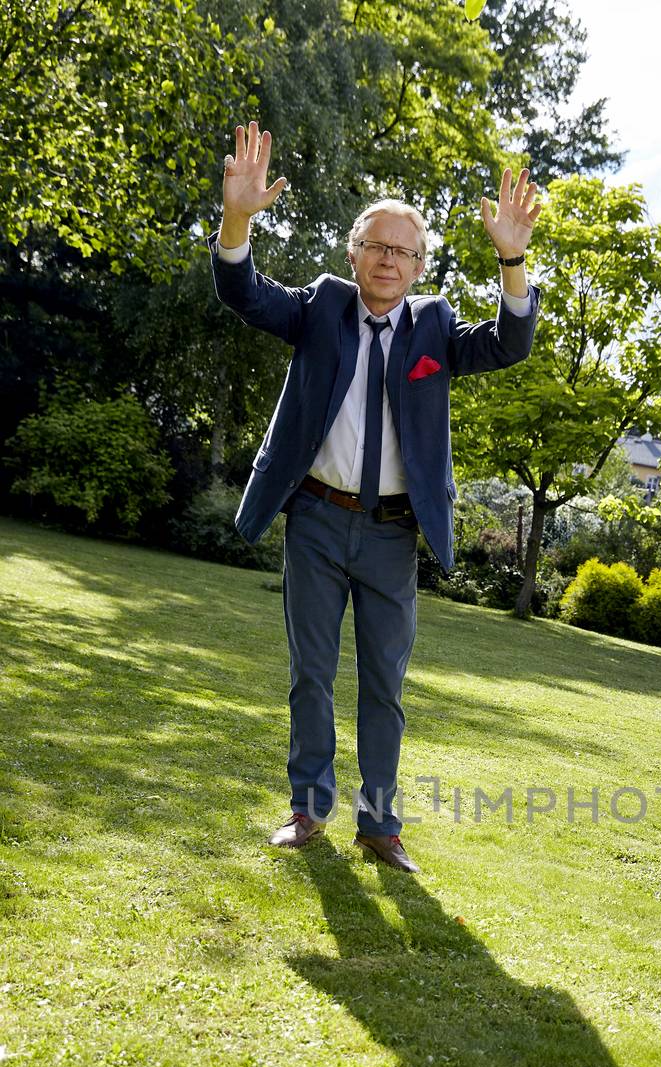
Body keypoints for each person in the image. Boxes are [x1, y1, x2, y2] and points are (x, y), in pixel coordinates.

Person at [210, 121, 542, 872]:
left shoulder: (435, 327)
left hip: (393, 533)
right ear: (354, 254)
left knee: (385, 686)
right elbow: (242, 291)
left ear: (419, 266)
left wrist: (511, 259)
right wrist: (239, 217)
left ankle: (379, 824)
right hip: (319, 518)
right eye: (377, 246)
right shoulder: (321, 306)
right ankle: (308, 809)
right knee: (311, 674)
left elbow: (510, 344)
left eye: (404, 251)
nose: (389, 260)